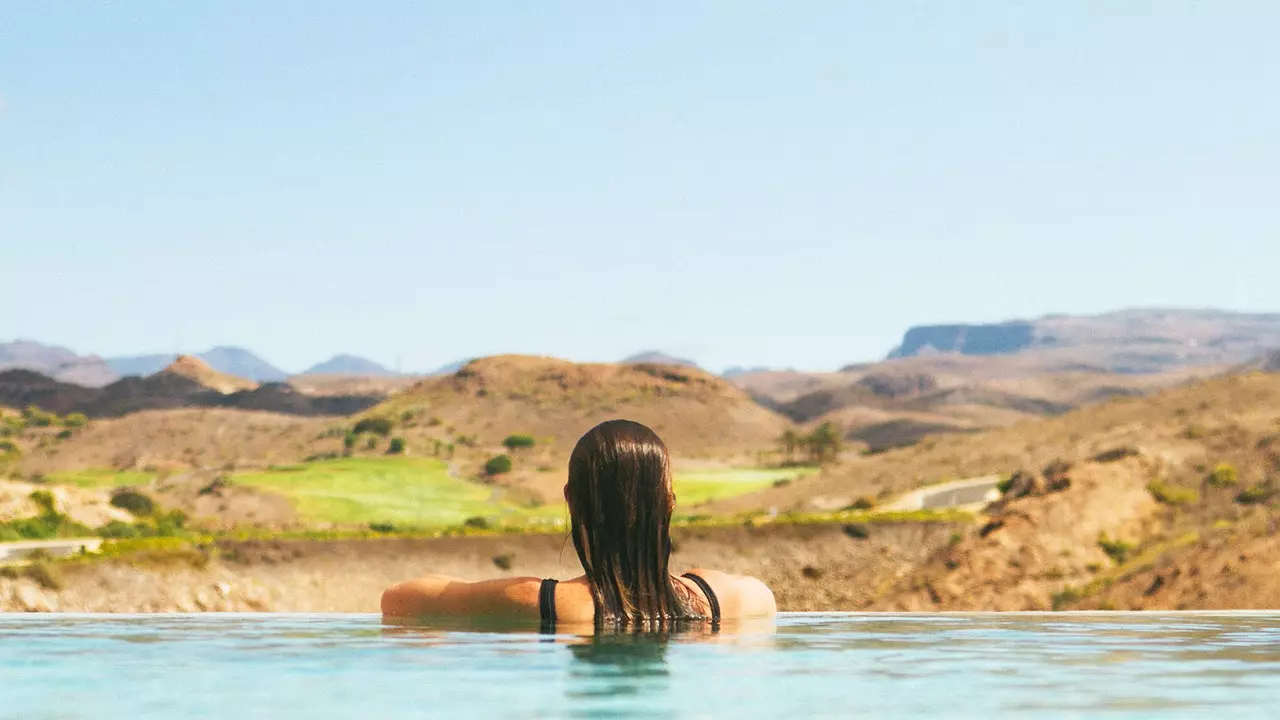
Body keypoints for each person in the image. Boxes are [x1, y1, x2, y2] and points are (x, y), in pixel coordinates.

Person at [381, 419, 777, 628]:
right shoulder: (726, 599)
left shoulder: (539, 604)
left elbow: (397, 598)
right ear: (669, 500)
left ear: (572, 500)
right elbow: (766, 599)